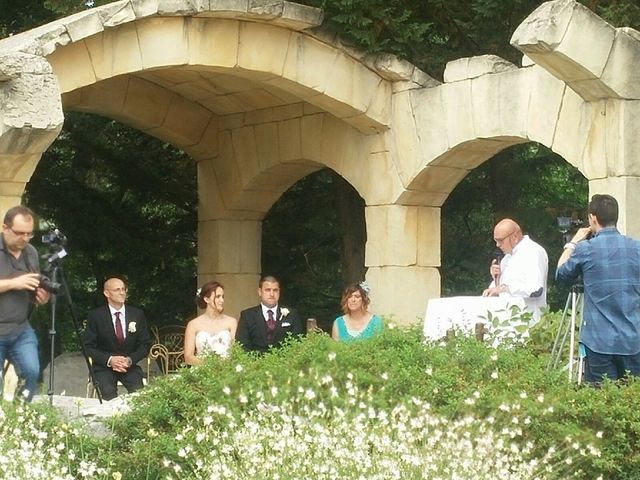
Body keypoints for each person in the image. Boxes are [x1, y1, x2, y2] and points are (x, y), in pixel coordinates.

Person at [556, 194, 640, 384]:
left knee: (602, 400)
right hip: (633, 340)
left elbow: (561, 274)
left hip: (599, 341)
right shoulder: (637, 248)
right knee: (632, 401)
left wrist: (573, 242)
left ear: (593, 218)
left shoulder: (585, 249)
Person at [0, 206, 51, 401]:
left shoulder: (31, 252)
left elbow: (34, 288)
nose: (25, 238)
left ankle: (22, 417)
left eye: (29, 234)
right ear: (5, 228)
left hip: (20, 327)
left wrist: (42, 297)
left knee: (32, 372)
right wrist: (13, 283)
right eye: (20, 233)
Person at [83, 276, 151, 400]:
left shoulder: (137, 314)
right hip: (103, 367)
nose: (122, 293)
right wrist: (110, 360)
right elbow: (87, 346)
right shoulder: (96, 316)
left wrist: (130, 360)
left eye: (124, 289)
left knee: (140, 395)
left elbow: (145, 344)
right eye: (117, 290)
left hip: (129, 366)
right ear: (106, 293)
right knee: (108, 394)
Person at [482, 218, 549, 324]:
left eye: (500, 240)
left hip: (530, 324)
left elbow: (536, 290)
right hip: (508, 324)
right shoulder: (506, 258)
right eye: (496, 241)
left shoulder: (532, 251)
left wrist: (505, 288)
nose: (497, 245)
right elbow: (498, 291)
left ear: (515, 236)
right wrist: (496, 278)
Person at [236, 275, 305, 353]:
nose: (272, 294)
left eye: (275, 290)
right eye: (268, 290)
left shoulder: (292, 315)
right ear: (259, 292)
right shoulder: (247, 316)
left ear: (279, 292)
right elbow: (242, 346)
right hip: (256, 363)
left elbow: (297, 344)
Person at [184, 281, 237, 364]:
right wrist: (209, 365)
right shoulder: (193, 324)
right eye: (218, 297)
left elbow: (236, 352)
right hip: (202, 370)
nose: (222, 300)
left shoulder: (232, 322)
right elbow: (188, 357)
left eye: (223, 297)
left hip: (226, 371)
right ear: (206, 299)